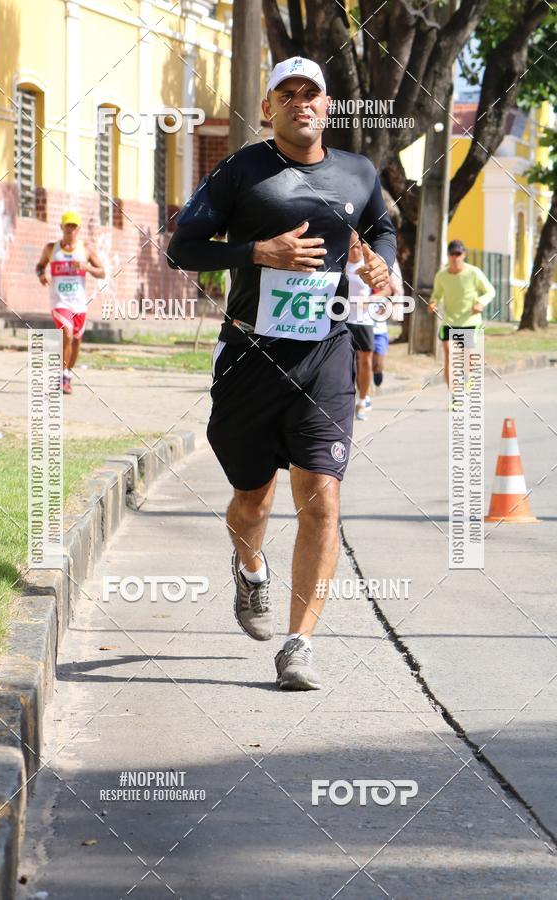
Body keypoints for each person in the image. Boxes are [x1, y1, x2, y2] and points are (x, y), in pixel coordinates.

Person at [168, 56, 396, 690]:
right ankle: (250, 569)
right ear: (268, 107)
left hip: (327, 353)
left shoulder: (357, 172)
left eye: (312, 93)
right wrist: (258, 252)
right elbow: (181, 247)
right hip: (250, 355)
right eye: (286, 94)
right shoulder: (241, 171)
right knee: (252, 499)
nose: (301, 103)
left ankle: (300, 645)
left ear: (328, 106)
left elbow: (381, 230)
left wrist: (380, 265)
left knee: (322, 498)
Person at [36, 211, 105, 394]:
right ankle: (62, 375)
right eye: (68, 226)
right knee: (66, 333)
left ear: (79, 229)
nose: (71, 230)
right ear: (61, 227)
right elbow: (39, 266)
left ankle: (67, 375)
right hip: (59, 302)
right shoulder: (52, 249)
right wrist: (41, 275)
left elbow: (102, 272)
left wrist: (87, 267)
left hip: (79, 304)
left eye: (74, 226)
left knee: (76, 340)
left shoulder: (86, 249)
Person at [428, 239, 495, 393]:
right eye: (452, 254)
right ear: (448, 256)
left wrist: (481, 303)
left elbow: (490, 291)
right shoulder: (442, 275)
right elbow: (436, 294)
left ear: (464, 255)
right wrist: (433, 302)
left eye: (458, 254)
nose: (455, 257)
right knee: (449, 355)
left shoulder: (474, 272)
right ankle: (454, 396)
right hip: (450, 321)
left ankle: (469, 376)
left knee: (468, 357)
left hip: (470, 321)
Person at [345, 237, 374, 420]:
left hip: (364, 320)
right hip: (343, 319)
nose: (354, 247)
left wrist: (370, 300)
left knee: (365, 362)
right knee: (345, 363)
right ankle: (346, 401)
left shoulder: (368, 261)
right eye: (350, 244)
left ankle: (362, 401)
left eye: (357, 244)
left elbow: (386, 287)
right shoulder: (341, 262)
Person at [372, 262, 403, 389]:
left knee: (378, 364)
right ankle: (364, 397)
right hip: (362, 327)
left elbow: (393, 290)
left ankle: (378, 371)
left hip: (379, 330)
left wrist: (387, 305)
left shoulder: (383, 273)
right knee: (363, 362)